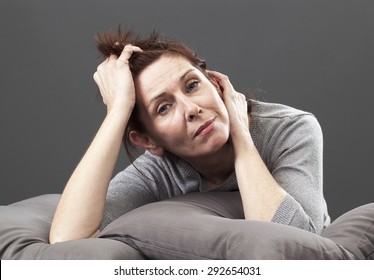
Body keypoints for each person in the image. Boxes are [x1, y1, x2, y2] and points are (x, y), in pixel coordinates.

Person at [49, 29, 330, 244]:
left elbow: (295, 246)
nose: (191, 109)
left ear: (217, 83)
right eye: (164, 107)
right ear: (147, 141)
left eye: (193, 85)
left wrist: (241, 138)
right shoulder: (157, 172)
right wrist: (117, 111)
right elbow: (67, 239)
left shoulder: (289, 129)